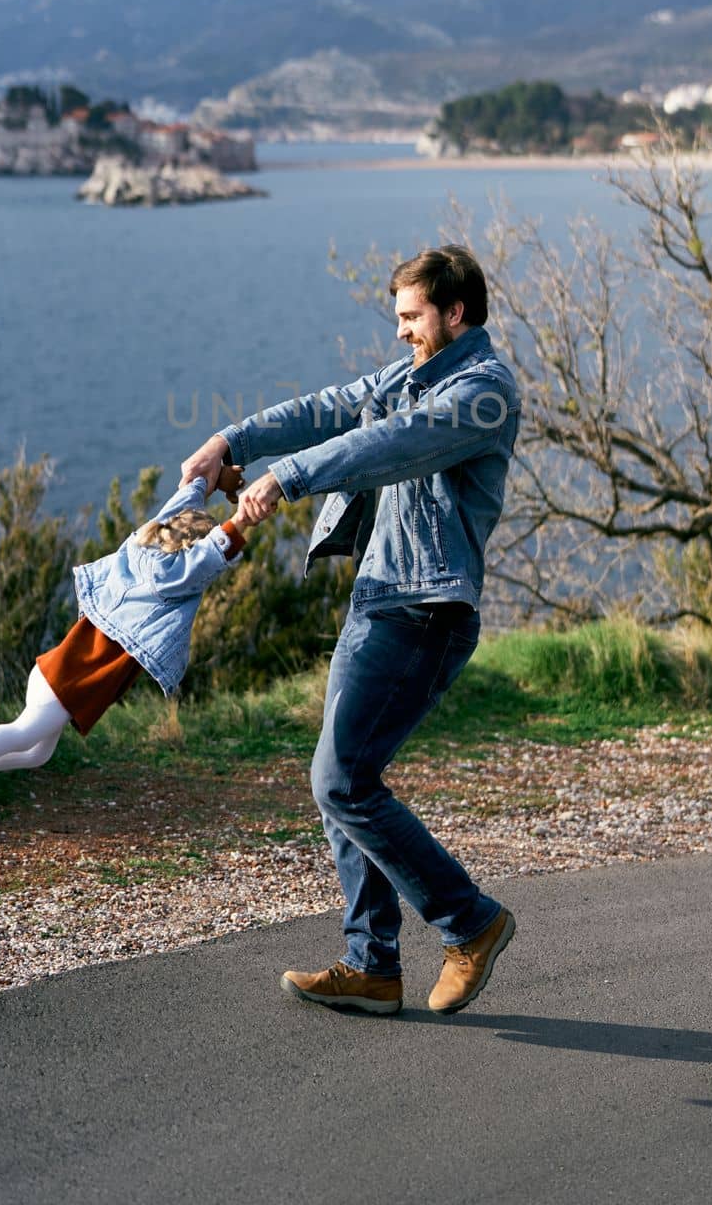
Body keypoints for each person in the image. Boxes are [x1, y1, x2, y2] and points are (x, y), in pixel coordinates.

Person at [180, 244, 520, 1016]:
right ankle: (371, 964)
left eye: (411, 317)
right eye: (397, 318)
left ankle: (470, 922)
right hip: (381, 598)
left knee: (341, 781)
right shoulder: (409, 377)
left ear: (454, 312)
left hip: (425, 610)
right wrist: (232, 443)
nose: (400, 332)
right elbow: (330, 408)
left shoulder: (482, 391)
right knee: (342, 782)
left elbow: (386, 447)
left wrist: (288, 476)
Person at [0, 466, 248, 823]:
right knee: (23, 732)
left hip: (54, 673)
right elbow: (208, 557)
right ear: (190, 552)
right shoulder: (169, 581)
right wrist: (243, 515)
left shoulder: (142, 545)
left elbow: (177, 506)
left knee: (38, 754)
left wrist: (211, 481)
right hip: (66, 680)